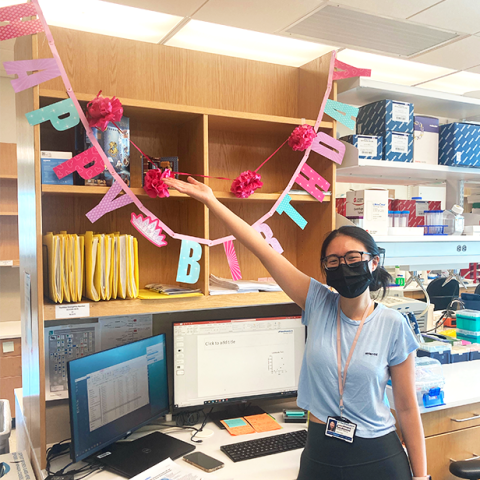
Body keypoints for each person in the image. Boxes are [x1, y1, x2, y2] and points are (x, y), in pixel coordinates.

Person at [163, 177, 429, 480]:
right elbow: (261, 248)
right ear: (325, 269)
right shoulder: (317, 302)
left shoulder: (393, 325)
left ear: (373, 262)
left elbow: (407, 409)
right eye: (333, 260)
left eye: (353, 258)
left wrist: (421, 477)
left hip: (377, 454)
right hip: (320, 451)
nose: (344, 266)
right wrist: (212, 201)